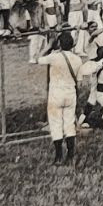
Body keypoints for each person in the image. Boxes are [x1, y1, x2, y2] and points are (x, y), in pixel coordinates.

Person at [33, 32, 83, 166]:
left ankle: (59, 156)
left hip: (56, 94)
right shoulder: (78, 59)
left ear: (59, 44)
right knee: (69, 123)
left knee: (55, 125)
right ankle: (71, 155)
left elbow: (37, 59)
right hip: (70, 93)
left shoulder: (54, 57)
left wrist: (49, 45)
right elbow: (79, 80)